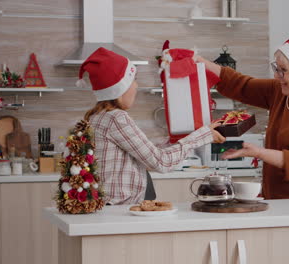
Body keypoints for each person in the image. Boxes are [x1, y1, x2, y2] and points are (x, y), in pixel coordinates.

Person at [195, 34, 289, 203]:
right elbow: (242, 85)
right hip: (278, 199)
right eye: (276, 68)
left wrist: (259, 153)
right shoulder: (280, 91)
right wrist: (202, 63)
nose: (277, 76)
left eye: (283, 70)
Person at [79, 47, 225, 205]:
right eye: (133, 80)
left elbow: (146, 151)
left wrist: (182, 138)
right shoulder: (116, 118)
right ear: (120, 88)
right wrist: (202, 136)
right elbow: (161, 162)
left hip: (108, 207)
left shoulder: (98, 117)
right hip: (117, 210)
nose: (136, 86)